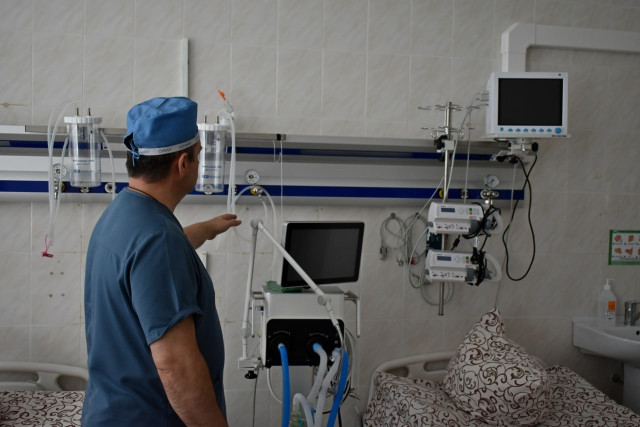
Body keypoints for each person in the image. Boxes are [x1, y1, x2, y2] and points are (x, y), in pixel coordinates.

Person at [82, 97, 240, 426]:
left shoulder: (122, 214)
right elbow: (175, 367)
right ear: (183, 163)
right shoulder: (159, 240)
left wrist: (206, 229)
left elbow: (146, 262)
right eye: (199, 155)